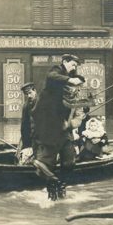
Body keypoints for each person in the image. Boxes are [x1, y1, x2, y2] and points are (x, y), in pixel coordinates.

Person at [31, 54, 85, 200]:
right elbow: (51, 76)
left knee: (70, 162)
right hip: (51, 132)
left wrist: (70, 124)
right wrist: (70, 79)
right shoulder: (56, 75)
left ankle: (61, 186)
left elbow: (79, 117)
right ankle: (52, 187)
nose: (74, 68)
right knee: (45, 165)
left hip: (66, 133)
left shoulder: (76, 98)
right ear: (65, 62)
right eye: (72, 65)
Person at [17, 82, 37, 165]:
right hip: (31, 139)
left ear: (35, 91)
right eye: (26, 94)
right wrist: (26, 145)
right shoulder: (26, 106)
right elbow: (24, 127)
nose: (28, 96)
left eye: (30, 93)